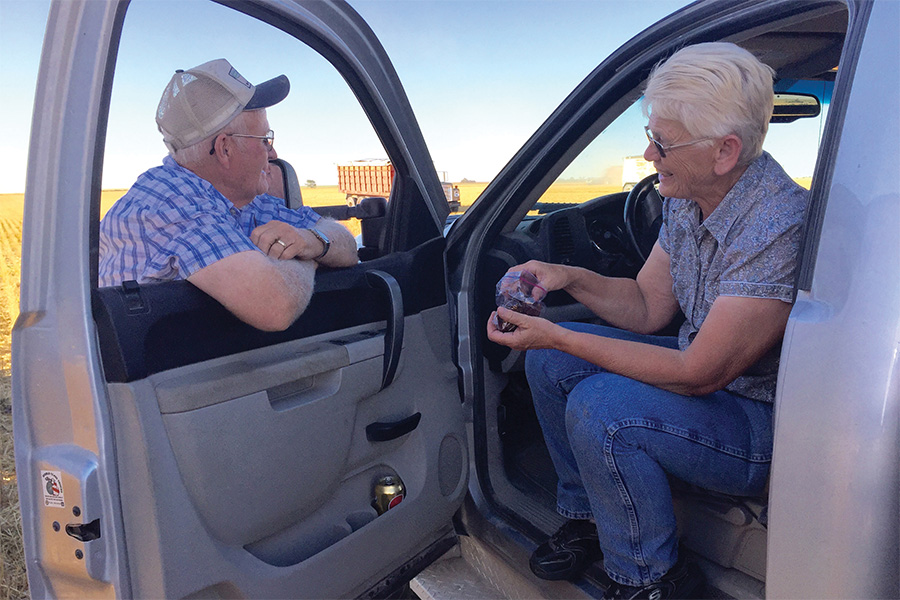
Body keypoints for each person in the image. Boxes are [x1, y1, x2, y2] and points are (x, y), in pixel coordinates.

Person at [487, 42, 807, 598]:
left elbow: (698, 373)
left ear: (724, 151)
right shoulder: (688, 194)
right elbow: (646, 305)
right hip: (709, 391)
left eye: (662, 142)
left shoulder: (777, 222)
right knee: (549, 359)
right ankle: (589, 516)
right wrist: (568, 276)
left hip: (763, 425)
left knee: (601, 408)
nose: (648, 153)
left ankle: (650, 580)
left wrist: (558, 329)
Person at [99, 59, 357, 331]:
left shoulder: (243, 199)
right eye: (264, 139)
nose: (273, 154)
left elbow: (346, 247)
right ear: (225, 149)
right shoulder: (173, 201)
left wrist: (308, 240)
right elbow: (274, 306)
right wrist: (304, 256)